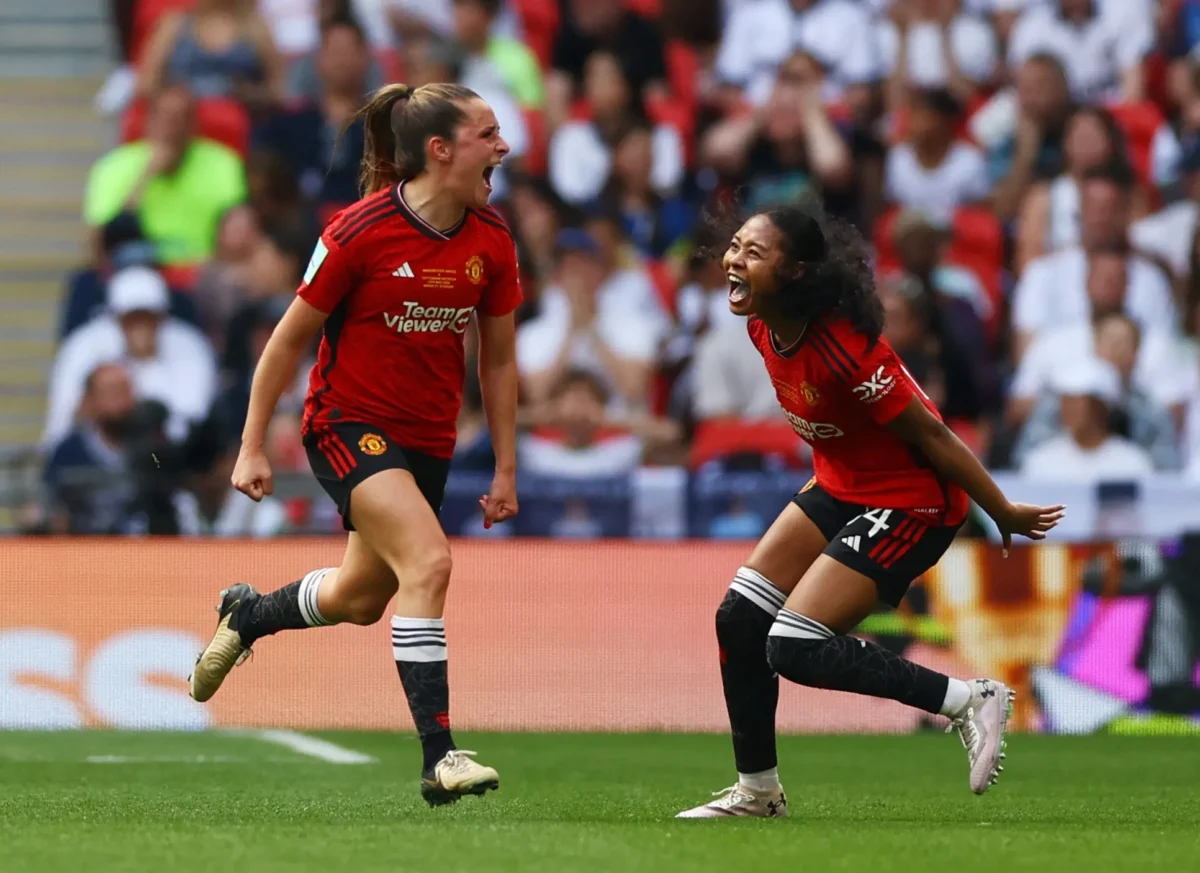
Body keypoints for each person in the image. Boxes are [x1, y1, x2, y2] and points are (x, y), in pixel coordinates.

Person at [188, 82, 523, 807]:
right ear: (440, 151)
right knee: (430, 562)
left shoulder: (492, 241)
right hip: (345, 425)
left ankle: (249, 615)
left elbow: (497, 361)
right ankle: (440, 756)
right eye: (488, 135)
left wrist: (504, 463)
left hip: (428, 440)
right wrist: (251, 446)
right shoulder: (358, 230)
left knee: (362, 597)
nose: (504, 147)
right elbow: (286, 343)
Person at [677, 202, 1064, 819]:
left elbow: (935, 436)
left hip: (913, 503)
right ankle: (758, 793)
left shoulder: (848, 350)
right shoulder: (760, 325)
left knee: (794, 647)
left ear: (797, 271)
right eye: (736, 246)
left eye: (755, 252)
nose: (735, 259)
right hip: (839, 486)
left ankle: (968, 697)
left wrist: (1002, 512)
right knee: (738, 621)